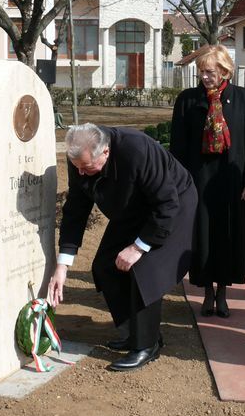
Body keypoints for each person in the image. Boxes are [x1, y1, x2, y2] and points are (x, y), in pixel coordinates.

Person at [47, 124, 197, 371]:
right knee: (105, 266)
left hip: (172, 205)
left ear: (105, 152)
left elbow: (166, 204)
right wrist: (62, 265)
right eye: (77, 167)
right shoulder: (80, 157)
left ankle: (146, 346)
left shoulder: (137, 149)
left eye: (86, 167)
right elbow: (76, 209)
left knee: (145, 271)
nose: (81, 173)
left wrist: (138, 248)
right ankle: (135, 333)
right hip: (133, 208)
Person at [170, 45, 245, 319]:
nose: (204, 77)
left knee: (227, 236)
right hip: (198, 180)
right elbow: (178, 145)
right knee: (202, 236)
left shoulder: (244, 99)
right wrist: (179, 183)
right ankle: (207, 291)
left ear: (225, 71)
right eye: (201, 72)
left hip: (231, 181)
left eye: (209, 72)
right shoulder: (187, 100)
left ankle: (222, 292)